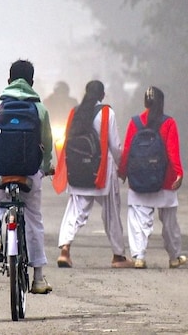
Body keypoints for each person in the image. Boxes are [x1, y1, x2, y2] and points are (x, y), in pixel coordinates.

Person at [0, 59, 55, 294]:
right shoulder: (39, 109)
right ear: (31, 82)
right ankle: (38, 278)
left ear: (8, 81)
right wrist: (46, 165)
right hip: (30, 172)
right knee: (34, 217)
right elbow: (47, 144)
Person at [56, 80, 132, 269]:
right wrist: (122, 168)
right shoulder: (107, 113)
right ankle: (118, 256)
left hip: (77, 171)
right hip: (101, 173)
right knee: (112, 213)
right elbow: (114, 146)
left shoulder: (76, 112)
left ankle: (65, 249)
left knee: (75, 211)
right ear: (102, 95)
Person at [118, 86, 185, 269]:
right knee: (170, 223)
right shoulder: (169, 122)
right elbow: (173, 151)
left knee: (139, 220)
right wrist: (179, 173)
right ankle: (174, 257)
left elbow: (127, 150)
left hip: (139, 178)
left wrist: (123, 171)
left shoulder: (135, 122)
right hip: (165, 180)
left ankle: (139, 257)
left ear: (144, 102)